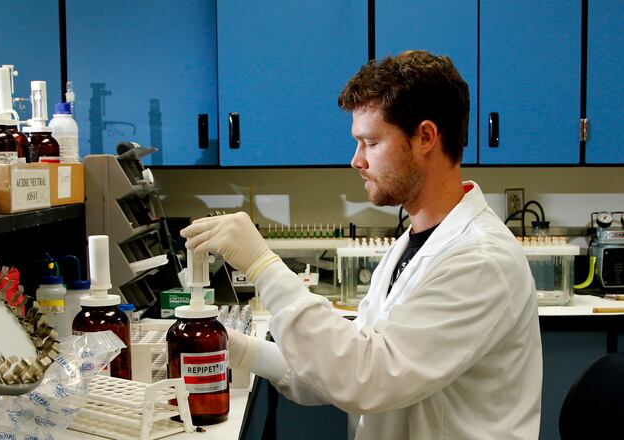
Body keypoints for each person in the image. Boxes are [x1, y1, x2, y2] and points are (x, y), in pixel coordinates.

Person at [180, 50, 542, 439]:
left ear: (425, 137)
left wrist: (263, 265)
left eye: (370, 142)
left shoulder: (481, 260)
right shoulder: (413, 243)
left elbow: (366, 377)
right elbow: (340, 367)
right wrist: (237, 348)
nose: (356, 160)